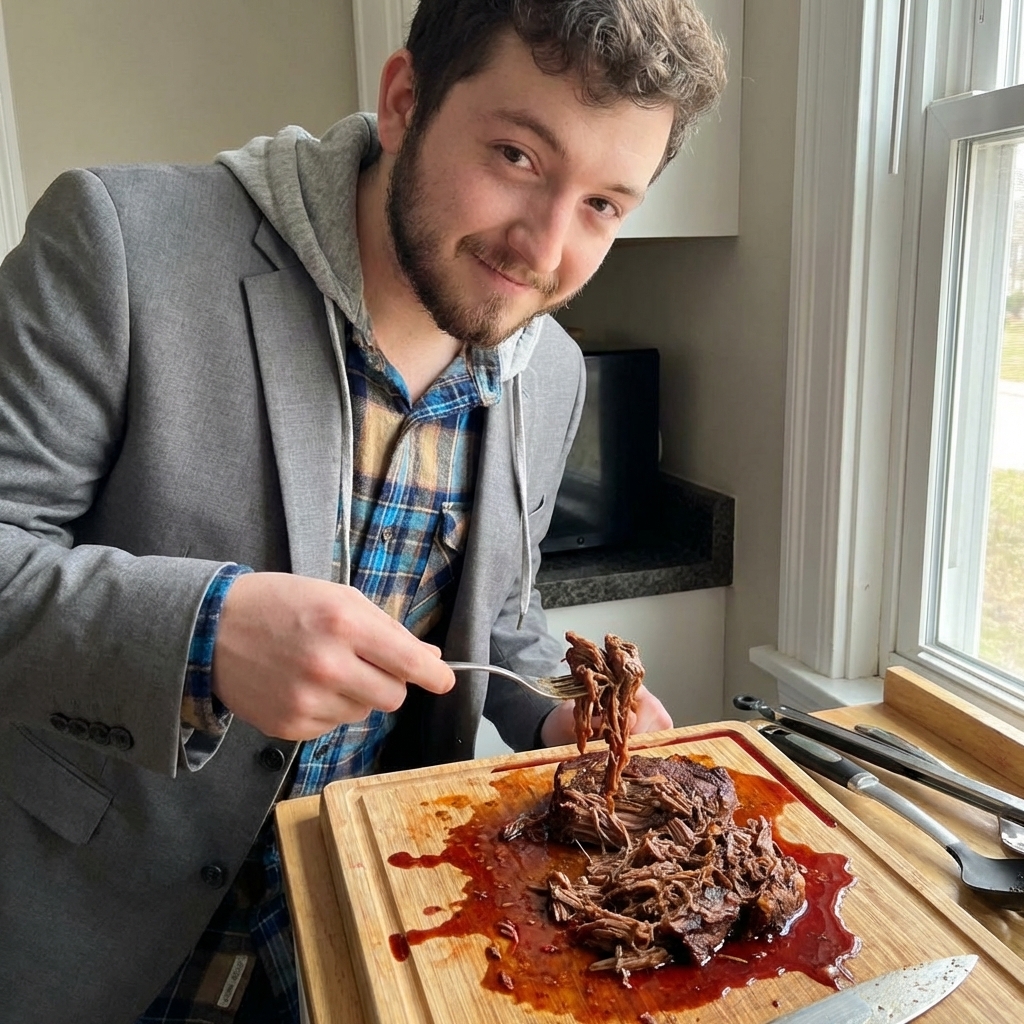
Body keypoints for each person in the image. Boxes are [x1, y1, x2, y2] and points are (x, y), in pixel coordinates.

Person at [0, 1, 725, 1021]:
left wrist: (552, 711)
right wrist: (203, 638)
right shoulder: (121, 243)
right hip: (100, 946)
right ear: (403, 102)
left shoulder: (551, 371)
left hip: (370, 932)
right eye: (516, 154)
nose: (544, 247)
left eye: (604, 203)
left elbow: (500, 618)